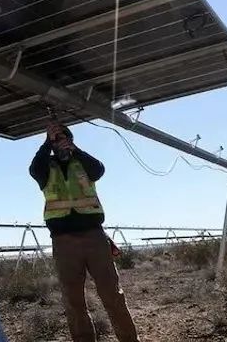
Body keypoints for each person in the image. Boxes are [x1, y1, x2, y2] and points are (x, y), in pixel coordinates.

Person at [29, 121, 139, 342]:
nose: (61, 144)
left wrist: (75, 149)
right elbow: (33, 169)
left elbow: (98, 169)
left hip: (94, 237)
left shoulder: (83, 163)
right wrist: (46, 142)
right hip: (63, 242)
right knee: (73, 300)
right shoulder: (45, 167)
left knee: (111, 294)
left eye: (64, 139)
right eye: (56, 141)